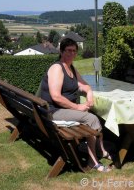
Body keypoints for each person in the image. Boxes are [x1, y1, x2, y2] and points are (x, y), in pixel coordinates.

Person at [40, 38, 112, 172]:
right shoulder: (57, 68)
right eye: (68, 50)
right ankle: (93, 161)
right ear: (61, 51)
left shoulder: (71, 67)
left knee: (91, 115)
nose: (72, 53)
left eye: (74, 51)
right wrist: (78, 107)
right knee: (92, 119)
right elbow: (56, 97)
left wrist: (89, 93)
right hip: (53, 112)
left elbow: (84, 85)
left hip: (59, 110)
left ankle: (99, 151)